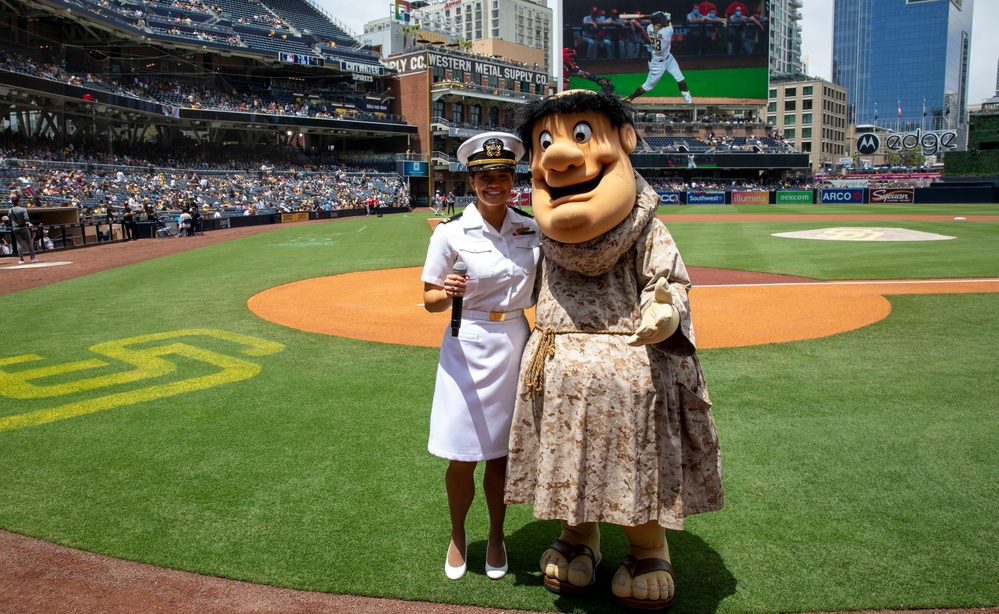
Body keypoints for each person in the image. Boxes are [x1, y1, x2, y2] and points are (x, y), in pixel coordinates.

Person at [509, 91, 722, 610]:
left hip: (633, 374)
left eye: (581, 135)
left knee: (638, 461)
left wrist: (663, 312)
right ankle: (580, 536)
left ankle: (649, 549)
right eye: (545, 143)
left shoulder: (647, 226)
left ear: (624, 142)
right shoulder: (539, 234)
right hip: (558, 374)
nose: (560, 157)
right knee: (567, 458)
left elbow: (667, 283)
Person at [420, 131, 541, 582]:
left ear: (514, 180)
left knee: (502, 454)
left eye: (504, 175)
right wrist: (445, 292)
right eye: (485, 176)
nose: (495, 183)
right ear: (472, 182)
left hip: (514, 340)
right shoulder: (451, 232)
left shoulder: (531, 227)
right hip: (465, 343)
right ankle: (456, 535)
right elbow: (430, 299)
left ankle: (495, 535)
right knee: (462, 454)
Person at [627, 12, 693, 104]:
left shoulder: (649, 28)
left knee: (680, 78)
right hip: (657, 63)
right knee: (648, 86)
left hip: (668, 57)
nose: (665, 21)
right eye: (662, 20)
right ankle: (629, 98)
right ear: (658, 23)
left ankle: (689, 101)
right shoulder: (667, 31)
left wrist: (661, 14)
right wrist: (668, 17)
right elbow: (669, 23)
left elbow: (655, 21)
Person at [7, 190, 38, 264]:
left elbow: (9, 219)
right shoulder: (23, 209)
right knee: (29, 242)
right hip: (23, 227)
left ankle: (21, 259)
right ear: (17, 202)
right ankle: (32, 258)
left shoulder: (10, 210)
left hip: (15, 228)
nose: (20, 202)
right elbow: (26, 219)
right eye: (19, 201)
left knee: (19, 243)